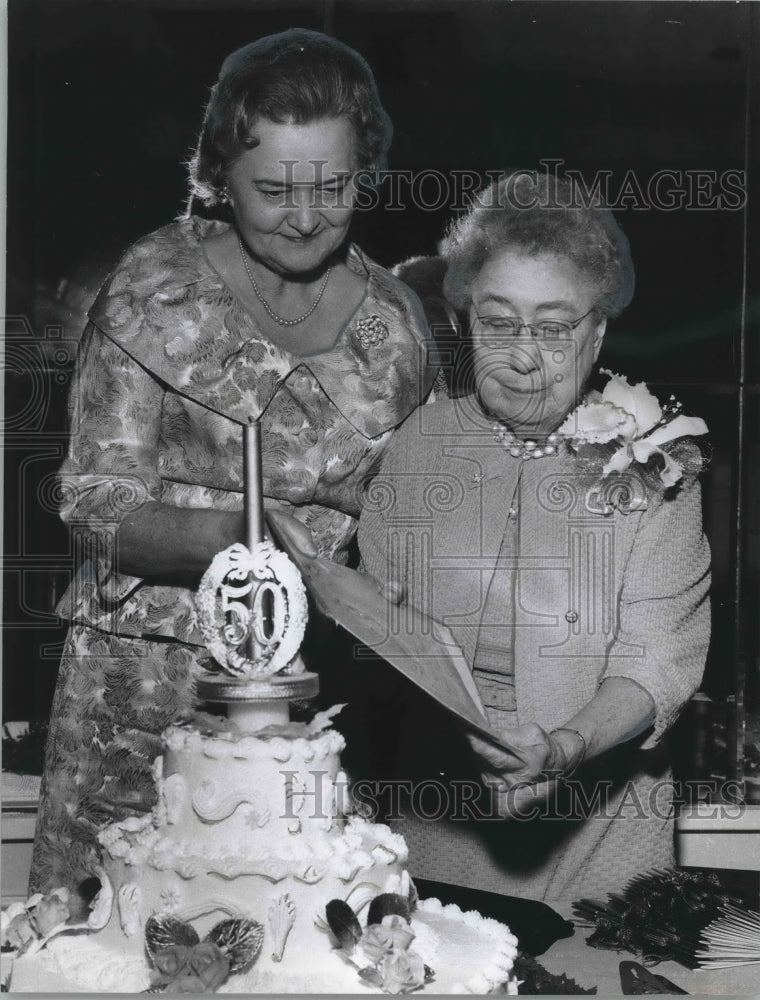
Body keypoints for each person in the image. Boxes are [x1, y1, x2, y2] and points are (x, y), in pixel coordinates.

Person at [29, 28, 436, 894]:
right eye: (274, 189)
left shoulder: (397, 327)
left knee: (301, 952)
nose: (305, 214)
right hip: (135, 701)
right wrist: (241, 535)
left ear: (365, 168)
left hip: (315, 709)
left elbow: (416, 523)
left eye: (332, 185)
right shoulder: (152, 289)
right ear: (221, 177)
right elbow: (95, 509)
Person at [358, 170, 710, 901]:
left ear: (599, 328)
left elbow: (660, 658)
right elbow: (379, 628)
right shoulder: (418, 445)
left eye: (554, 328)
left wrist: (563, 747)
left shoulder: (658, 461)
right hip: (439, 829)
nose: (524, 355)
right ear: (461, 321)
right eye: (498, 321)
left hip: (603, 836)